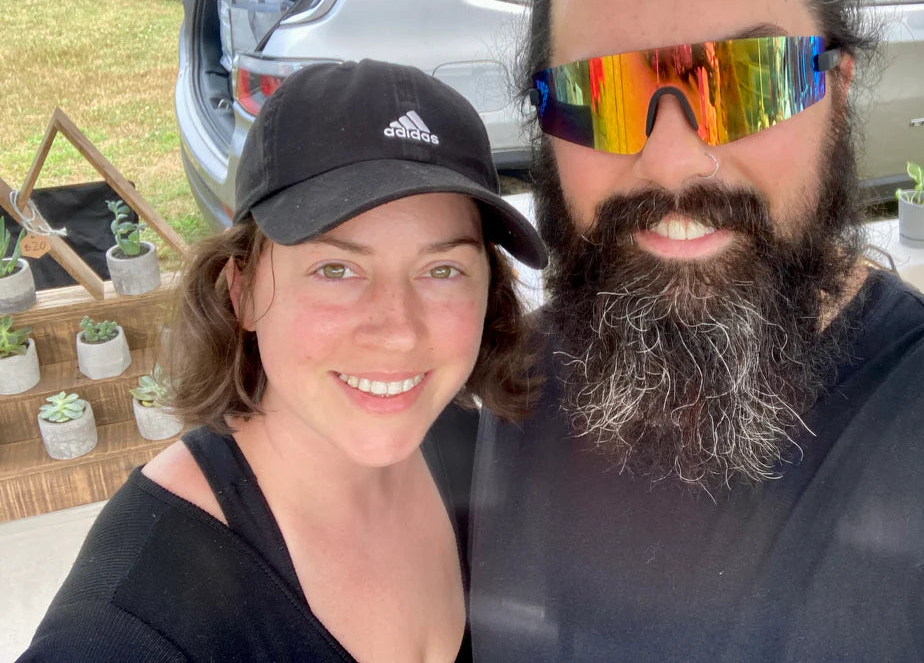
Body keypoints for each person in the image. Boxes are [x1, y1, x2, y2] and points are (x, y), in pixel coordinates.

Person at [469, 0, 924, 659]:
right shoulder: (508, 381)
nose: (674, 162)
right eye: (599, 93)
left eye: (747, 82)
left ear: (837, 89)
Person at [21, 59, 546, 662]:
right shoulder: (132, 623)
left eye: (442, 270)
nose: (399, 331)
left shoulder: (474, 454)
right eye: (336, 269)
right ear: (240, 291)